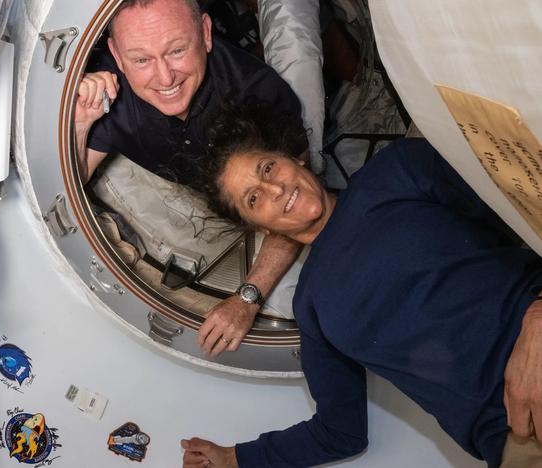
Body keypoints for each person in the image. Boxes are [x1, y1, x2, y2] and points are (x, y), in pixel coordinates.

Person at [180, 101, 542, 467]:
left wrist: (538, 315)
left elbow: (529, 207)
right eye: (253, 198)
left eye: (268, 168)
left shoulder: (395, 170)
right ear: (259, 227)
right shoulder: (311, 306)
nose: (274, 189)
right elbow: (339, 431)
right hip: (515, 437)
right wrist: (235, 458)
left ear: (294, 158)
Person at [74, 0, 310, 355]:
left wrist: (248, 297)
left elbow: (298, 203)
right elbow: (73, 180)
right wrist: (80, 121)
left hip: (254, 203)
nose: (165, 77)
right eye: (141, 60)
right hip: (178, 188)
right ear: (117, 57)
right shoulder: (108, 92)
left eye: (177, 50)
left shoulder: (258, 94)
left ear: (205, 33)